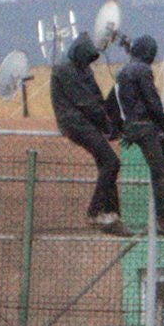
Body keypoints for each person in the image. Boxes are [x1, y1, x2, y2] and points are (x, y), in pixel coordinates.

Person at [51, 33, 129, 236]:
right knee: (111, 163)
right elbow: (86, 103)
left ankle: (112, 214)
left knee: (107, 164)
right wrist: (107, 126)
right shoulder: (65, 69)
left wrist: (110, 121)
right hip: (74, 123)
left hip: (86, 122)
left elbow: (96, 98)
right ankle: (95, 212)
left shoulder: (81, 68)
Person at [115, 35, 164, 238]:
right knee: (160, 172)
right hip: (145, 127)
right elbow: (153, 103)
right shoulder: (143, 70)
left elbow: (116, 102)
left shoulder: (123, 71)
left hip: (131, 126)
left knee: (161, 165)